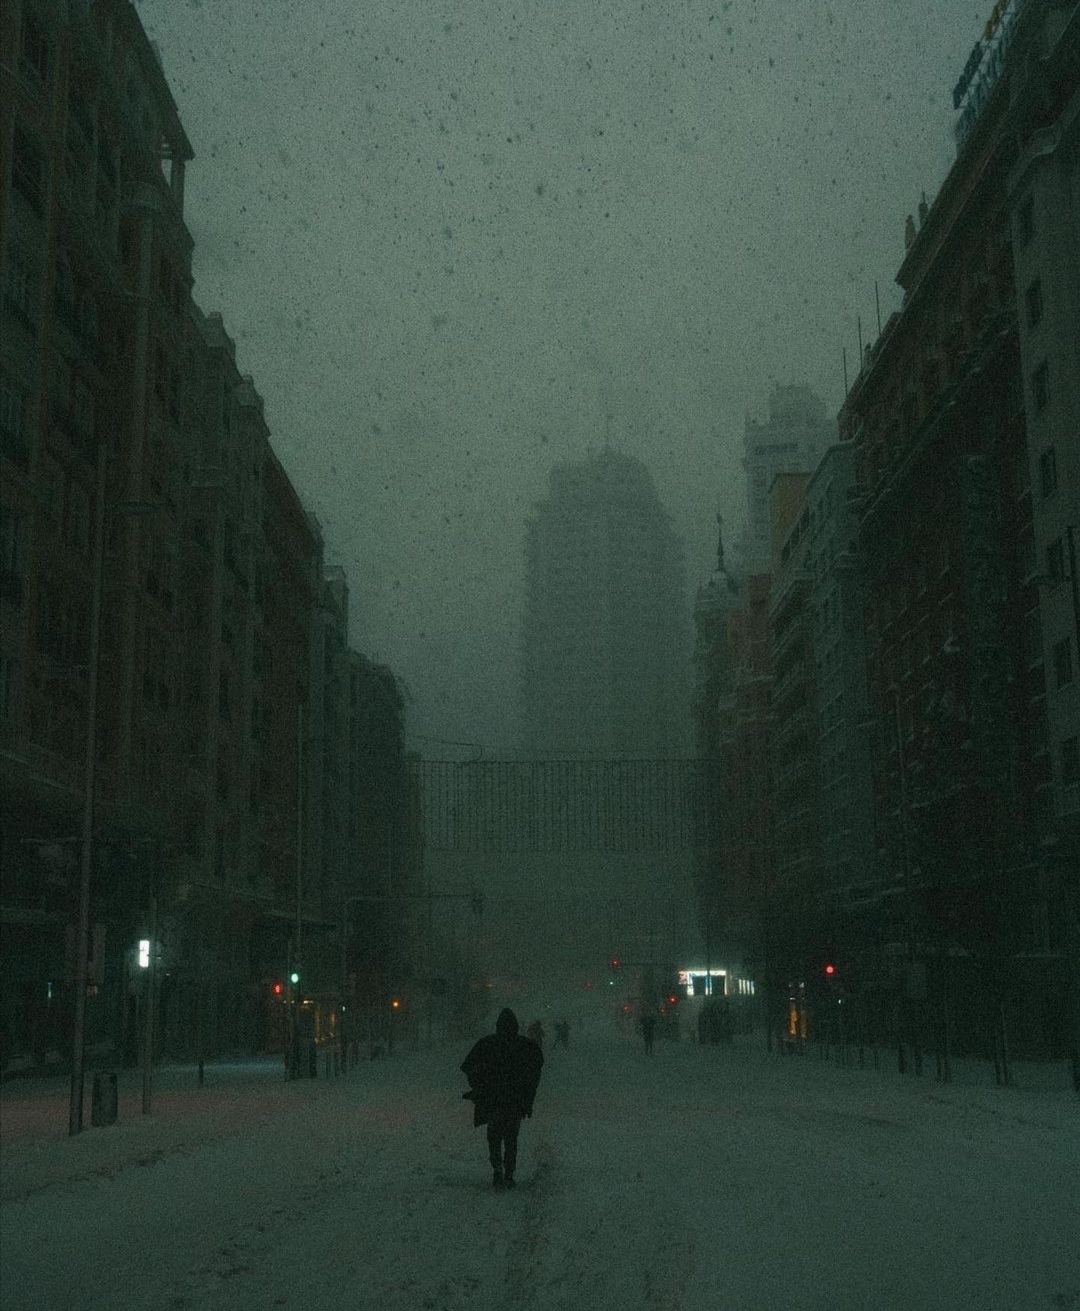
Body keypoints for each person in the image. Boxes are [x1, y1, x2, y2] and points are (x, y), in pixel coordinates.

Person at [461, 1008, 544, 1190]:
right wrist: (526, 1098)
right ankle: (509, 1174)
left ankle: (498, 1170)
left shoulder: (487, 1044)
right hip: (514, 1101)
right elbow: (534, 1072)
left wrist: (479, 1086)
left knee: (494, 1137)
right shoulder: (525, 1046)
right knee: (511, 1138)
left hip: (493, 1101)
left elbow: (469, 1067)